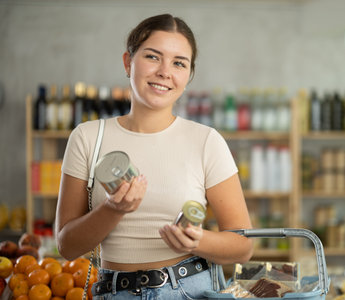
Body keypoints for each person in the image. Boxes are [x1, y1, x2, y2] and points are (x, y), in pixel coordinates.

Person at [55, 14, 253, 299]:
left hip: (190, 289)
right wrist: (114, 209)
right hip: (114, 292)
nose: (164, 71)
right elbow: (67, 246)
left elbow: (243, 247)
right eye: (152, 57)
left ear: (188, 76)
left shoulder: (207, 141)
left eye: (179, 63)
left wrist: (197, 241)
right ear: (128, 62)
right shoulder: (87, 137)